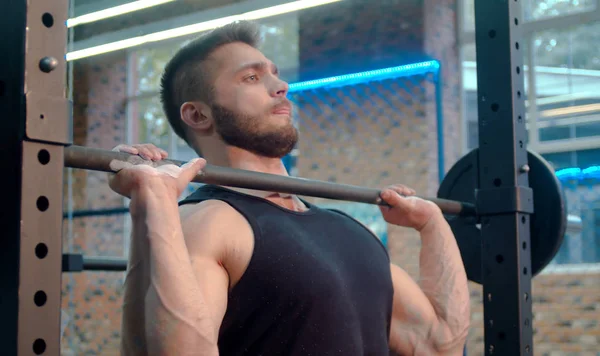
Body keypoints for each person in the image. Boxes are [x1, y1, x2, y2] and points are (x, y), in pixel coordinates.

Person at [109, 20, 470, 356]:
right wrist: (154, 204)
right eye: (251, 78)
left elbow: (439, 342)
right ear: (198, 115)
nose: (279, 87)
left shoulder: (348, 231)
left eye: (274, 74)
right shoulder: (207, 223)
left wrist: (432, 225)